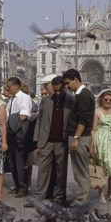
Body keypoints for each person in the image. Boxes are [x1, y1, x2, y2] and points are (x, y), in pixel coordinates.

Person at [30, 76, 74, 206]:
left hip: (62, 142)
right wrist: (38, 141)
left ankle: (58, 197)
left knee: (61, 171)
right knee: (42, 170)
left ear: (64, 88)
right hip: (46, 141)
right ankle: (39, 197)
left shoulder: (71, 100)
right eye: (55, 90)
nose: (57, 93)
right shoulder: (45, 100)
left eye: (60, 90)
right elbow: (39, 120)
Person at [63, 69, 95, 206]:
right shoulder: (80, 94)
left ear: (75, 79)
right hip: (79, 137)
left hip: (81, 138)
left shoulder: (84, 95)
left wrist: (76, 137)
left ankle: (83, 201)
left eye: (67, 83)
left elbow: (83, 119)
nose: (66, 86)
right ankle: (81, 197)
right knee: (78, 170)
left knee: (81, 170)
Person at [5, 77, 33, 197]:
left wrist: (12, 126)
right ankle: (17, 185)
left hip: (19, 132)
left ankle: (23, 187)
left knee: (20, 162)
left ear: (16, 85)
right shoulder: (11, 99)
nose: (7, 88)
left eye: (9, 86)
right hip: (11, 132)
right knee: (12, 161)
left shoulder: (24, 97)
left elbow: (24, 116)